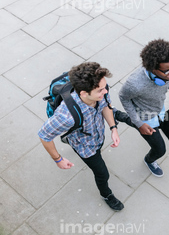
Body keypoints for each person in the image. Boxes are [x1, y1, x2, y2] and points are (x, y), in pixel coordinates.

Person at [38, 62, 124, 211]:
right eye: (100, 90)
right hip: (85, 146)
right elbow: (44, 136)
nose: (105, 91)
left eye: (105, 87)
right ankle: (106, 194)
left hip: (96, 135)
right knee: (102, 174)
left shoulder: (100, 90)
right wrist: (58, 159)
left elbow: (106, 106)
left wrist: (113, 128)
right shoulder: (66, 116)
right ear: (84, 93)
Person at [114, 39, 169, 177]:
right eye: (167, 71)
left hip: (159, 110)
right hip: (144, 118)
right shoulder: (135, 84)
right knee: (160, 149)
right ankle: (149, 161)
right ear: (152, 68)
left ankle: (115, 114)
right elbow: (123, 97)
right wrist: (139, 124)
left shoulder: (167, 73)